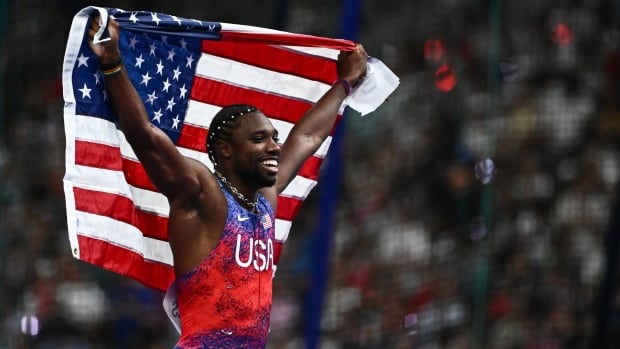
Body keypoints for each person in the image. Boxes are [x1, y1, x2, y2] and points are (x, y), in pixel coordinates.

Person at [87, 15, 368, 349]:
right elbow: (145, 137)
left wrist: (345, 85)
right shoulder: (201, 195)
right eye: (260, 139)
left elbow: (306, 137)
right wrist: (112, 63)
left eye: (274, 138)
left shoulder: (267, 197)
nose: (275, 147)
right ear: (226, 150)